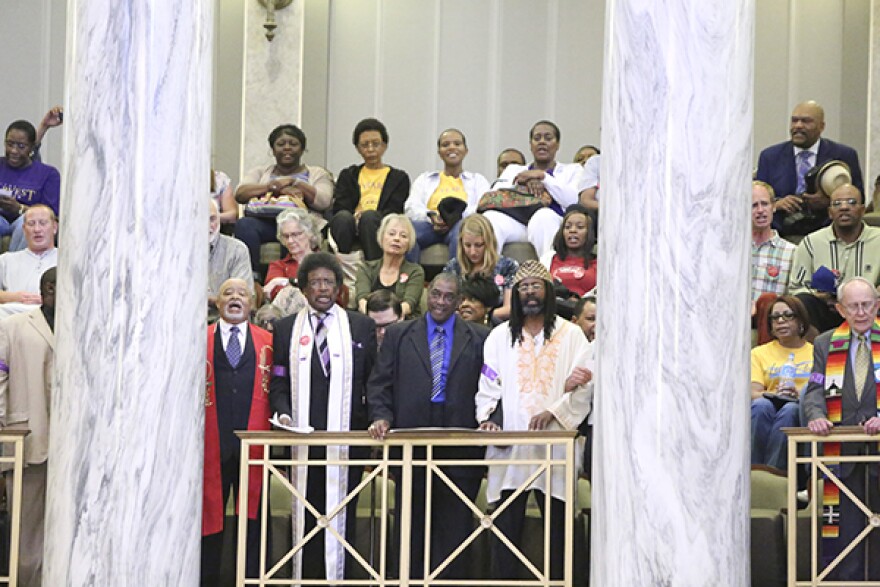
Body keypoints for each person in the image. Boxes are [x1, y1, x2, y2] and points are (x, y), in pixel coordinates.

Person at [367, 272, 490, 580]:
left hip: (460, 444)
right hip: (411, 441)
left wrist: (492, 419)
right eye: (436, 294)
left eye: (449, 297)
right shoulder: (399, 334)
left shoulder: (480, 337)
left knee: (455, 528)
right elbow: (380, 383)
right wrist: (380, 416)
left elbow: (493, 386)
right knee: (411, 525)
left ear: (459, 301)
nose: (440, 302)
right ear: (426, 294)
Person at [476, 260, 593, 581]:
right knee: (504, 529)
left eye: (535, 286)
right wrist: (488, 419)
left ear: (548, 292)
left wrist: (555, 412)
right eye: (523, 287)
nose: (529, 292)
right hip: (511, 447)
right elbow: (488, 385)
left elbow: (584, 387)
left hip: (555, 448)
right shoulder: (498, 337)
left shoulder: (572, 336)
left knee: (560, 529)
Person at [269, 252, 377, 581]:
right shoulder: (286, 328)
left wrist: (374, 422)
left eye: (328, 281)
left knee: (341, 515)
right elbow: (278, 381)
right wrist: (284, 414)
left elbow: (374, 381)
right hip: (303, 441)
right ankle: (308, 576)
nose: (322, 288)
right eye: (315, 282)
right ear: (303, 289)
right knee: (307, 513)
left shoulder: (361, 326)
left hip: (347, 443)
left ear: (339, 287)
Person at [803, 277, 880, 581]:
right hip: (843, 450)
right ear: (840, 310)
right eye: (853, 306)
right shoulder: (825, 343)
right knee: (847, 529)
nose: (861, 312)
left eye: (866, 305)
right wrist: (816, 415)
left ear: (877, 306)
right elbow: (814, 388)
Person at [201, 278, 274, 586]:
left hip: (253, 447)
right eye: (227, 293)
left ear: (252, 304)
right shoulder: (198, 339)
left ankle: (252, 579)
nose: (234, 298)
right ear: (217, 303)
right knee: (207, 520)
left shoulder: (269, 342)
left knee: (254, 520)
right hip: (209, 446)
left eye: (241, 294)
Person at [0, 267, 55, 587]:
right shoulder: (13, 326)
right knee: (27, 532)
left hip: (74, 447)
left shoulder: (83, 325)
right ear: (47, 289)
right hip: (28, 440)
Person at [234, 124, 333, 274]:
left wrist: (295, 183)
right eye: (281, 144)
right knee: (244, 225)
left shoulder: (317, 173)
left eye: (293, 144)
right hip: (266, 223)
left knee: (291, 229)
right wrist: (272, 187)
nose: (287, 148)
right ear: (273, 150)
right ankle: (251, 277)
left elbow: (324, 201)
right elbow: (240, 194)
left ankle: (291, 275)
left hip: (301, 224)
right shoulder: (261, 172)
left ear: (302, 149)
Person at [756, 100, 864, 237]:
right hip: (781, 232)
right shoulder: (770, 156)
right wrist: (777, 204)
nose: (798, 126)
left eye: (806, 121)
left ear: (821, 126)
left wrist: (829, 202)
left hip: (828, 232)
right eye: (794, 121)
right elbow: (756, 199)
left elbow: (858, 199)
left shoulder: (844, 155)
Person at [788, 184, 880, 332]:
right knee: (803, 302)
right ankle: (816, 351)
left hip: (869, 312)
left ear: (862, 210)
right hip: (826, 311)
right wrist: (818, 296)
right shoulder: (811, 242)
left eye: (851, 202)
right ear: (830, 212)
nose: (844, 208)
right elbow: (796, 288)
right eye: (837, 204)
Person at [483, 121, 582, 258]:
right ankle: (489, 275)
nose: (542, 142)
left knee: (543, 216)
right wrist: (526, 182)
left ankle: (549, 276)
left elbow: (573, 201)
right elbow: (496, 197)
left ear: (558, 144)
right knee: (491, 217)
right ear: (530, 145)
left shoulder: (572, 170)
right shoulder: (514, 169)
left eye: (548, 138)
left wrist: (543, 177)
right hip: (518, 223)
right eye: (537, 138)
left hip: (552, 222)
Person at [329, 118, 410, 261]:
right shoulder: (348, 174)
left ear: (384, 146)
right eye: (365, 145)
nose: (371, 149)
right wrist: (355, 216)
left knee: (369, 217)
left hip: (380, 222)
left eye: (376, 144)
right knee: (342, 217)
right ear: (358, 148)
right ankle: (344, 266)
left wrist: (368, 215)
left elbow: (395, 209)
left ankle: (375, 268)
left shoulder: (398, 177)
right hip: (351, 221)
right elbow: (340, 205)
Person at [405, 129, 490, 261]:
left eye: (457, 144)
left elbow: (483, 206)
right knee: (406, 233)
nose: (451, 147)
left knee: (462, 232)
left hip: (461, 223)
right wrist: (432, 216)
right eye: (445, 145)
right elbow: (411, 206)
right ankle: (409, 280)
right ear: (439, 153)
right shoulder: (425, 179)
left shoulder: (477, 180)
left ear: (466, 150)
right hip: (429, 224)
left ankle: (457, 280)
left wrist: (453, 218)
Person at [750, 295, 813, 470]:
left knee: (790, 409)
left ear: (801, 320)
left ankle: (774, 475)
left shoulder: (817, 352)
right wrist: (776, 394)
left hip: (800, 407)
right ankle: (753, 472)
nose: (781, 321)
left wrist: (797, 394)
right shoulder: (759, 353)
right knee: (761, 405)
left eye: (788, 315)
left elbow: (818, 391)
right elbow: (752, 392)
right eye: (775, 317)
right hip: (768, 403)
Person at [443, 214, 518, 321]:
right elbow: (445, 305)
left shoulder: (508, 266)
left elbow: (509, 309)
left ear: (489, 243)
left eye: (478, 245)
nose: (473, 252)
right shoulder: (453, 267)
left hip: (495, 325)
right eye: (468, 245)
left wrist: (479, 315)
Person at [0, 120, 61, 252]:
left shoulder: (48, 174)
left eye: (21, 146)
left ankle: (14, 269)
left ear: (32, 148)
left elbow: (51, 216)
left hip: (24, 219)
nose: (13, 151)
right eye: (9, 144)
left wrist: (19, 208)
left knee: (28, 221)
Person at [354, 213, 424, 318]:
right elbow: (362, 301)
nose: (397, 239)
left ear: (409, 243)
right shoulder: (366, 268)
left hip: (403, 325)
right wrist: (377, 321)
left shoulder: (415, 271)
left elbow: (409, 304)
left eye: (403, 236)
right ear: (381, 238)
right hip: (370, 322)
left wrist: (386, 321)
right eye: (391, 234)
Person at [0, 205, 58, 318]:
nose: (37, 229)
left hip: (52, 317)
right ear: (24, 229)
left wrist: (49, 299)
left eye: (43, 223)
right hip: (11, 315)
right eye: (31, 224)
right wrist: (13, 297)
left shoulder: (66, 260)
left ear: (54, 227)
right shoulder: (6, 260)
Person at [540, 206, 597, 318]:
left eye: (580, 227)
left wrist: (580, 302)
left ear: (589, 233)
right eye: (567, 227)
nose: (572, 230)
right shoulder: (548, 259)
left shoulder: (599, 263)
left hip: (583, 313)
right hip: (552, 311)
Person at [263, 208, 321, 301]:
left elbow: (335, 292)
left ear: (309, 233)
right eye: (286, 236)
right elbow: (275, 294)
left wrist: (283, 281)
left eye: (295, 234)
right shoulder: (278, 266)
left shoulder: (326, 262)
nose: (290, 241)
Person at [208, 200, 253, 319]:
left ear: (219, 219)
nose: (207, 226)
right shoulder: (177, 251)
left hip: (224, 321)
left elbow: (242, 299)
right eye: (201, 219)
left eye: (212, 219)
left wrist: (203, 298)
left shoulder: (236, 250)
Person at [752, 181, 796, 303]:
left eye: (765, 204)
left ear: (774, 206)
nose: (760, 210)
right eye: (754, 205)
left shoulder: (792, 252)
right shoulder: (734, 251)